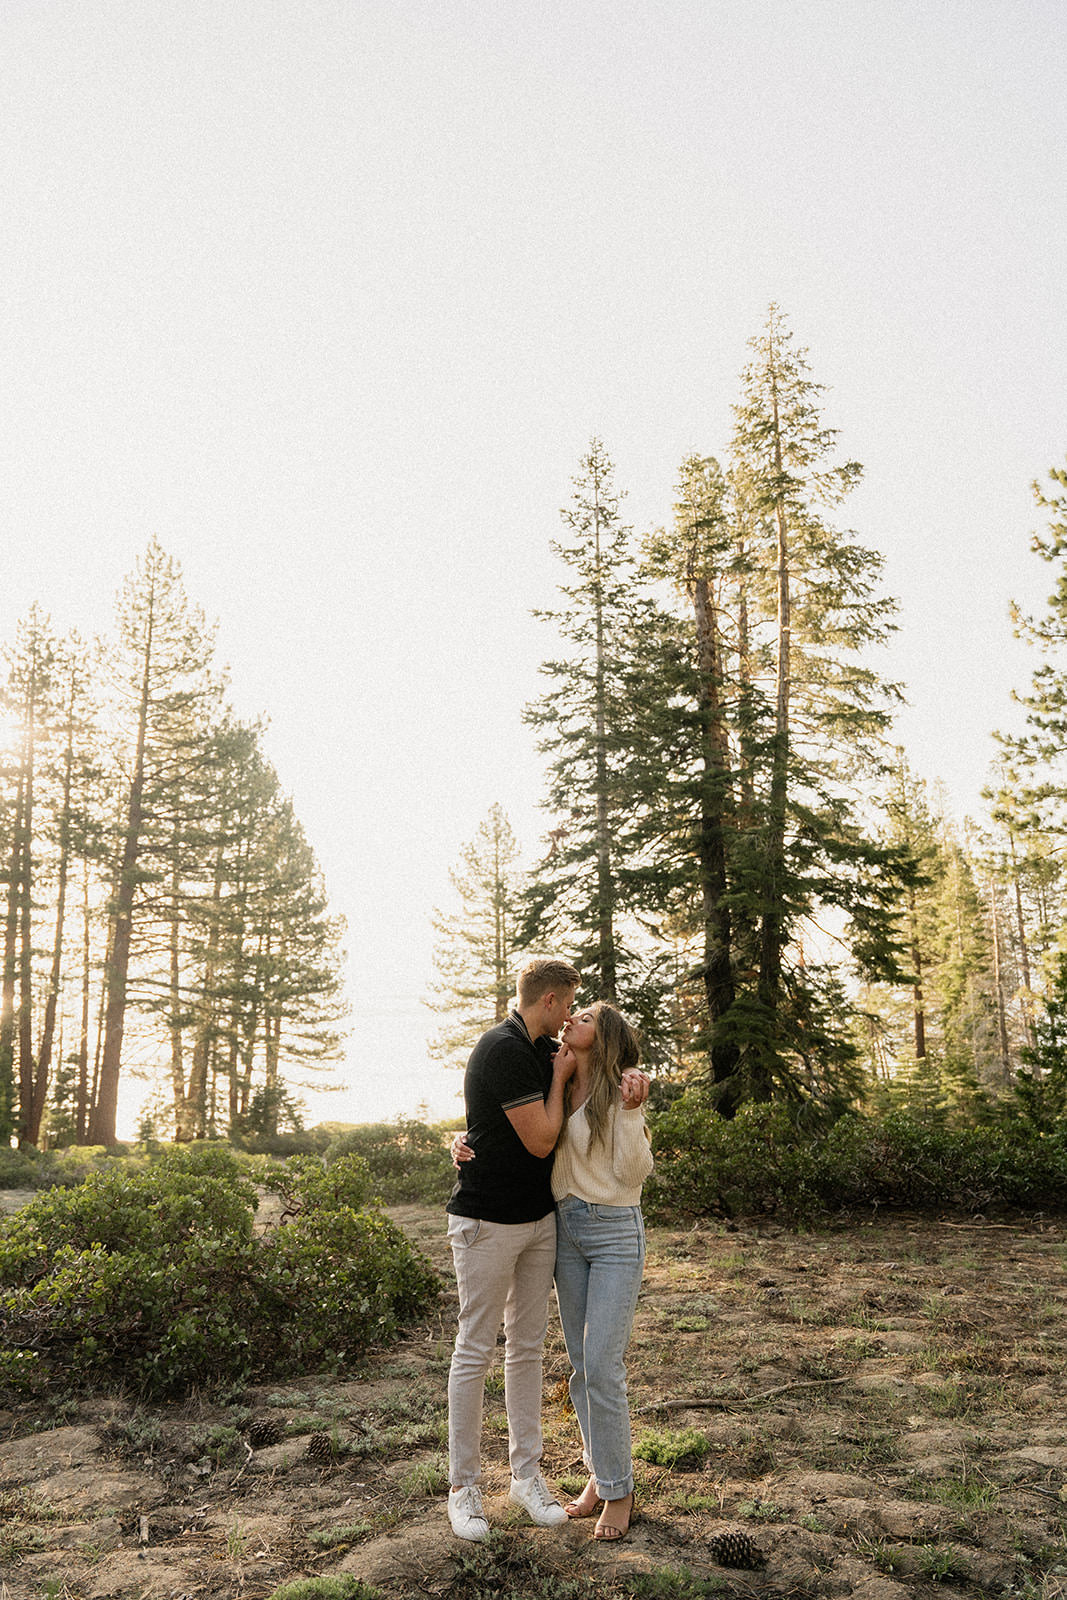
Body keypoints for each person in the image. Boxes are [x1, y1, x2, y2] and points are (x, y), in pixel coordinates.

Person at [444, 957, 582, 1541]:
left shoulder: (543, 1048)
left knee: (526, 1349)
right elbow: (541, 1137)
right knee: (475, 1349)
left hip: (537, 1221)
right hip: (486, 1221)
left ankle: (526, 1477)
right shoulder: (503, 1048)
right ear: (548, 1000)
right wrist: (558, 1076)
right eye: (568, 1003)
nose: (571, 1014)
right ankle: (464, 1489)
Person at [551, 1001, 652, 1542]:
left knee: (603, 1365)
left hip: (614, 1231)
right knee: (579, 1367)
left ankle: (620, 1489)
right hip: (566, 1231)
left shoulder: (623, 1091)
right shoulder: (559, 1077)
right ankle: (600, 1473)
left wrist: (632, 1114)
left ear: (606, 1036)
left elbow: (634, 1172)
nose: (572, 1020)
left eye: (584, 1017)